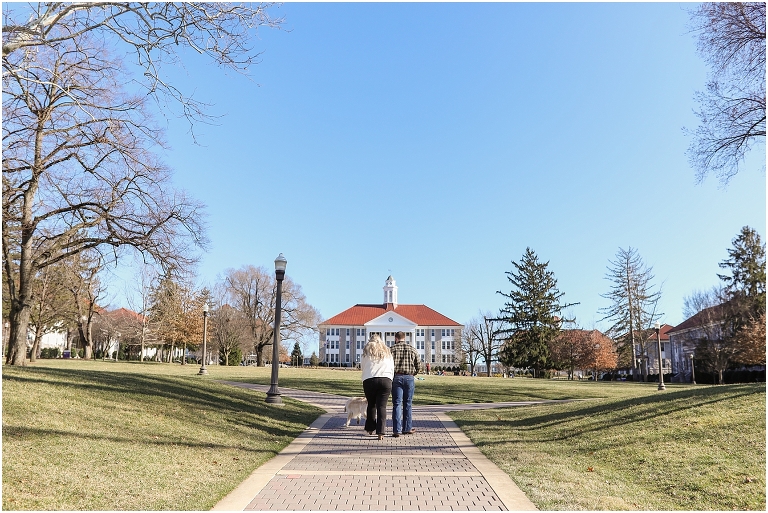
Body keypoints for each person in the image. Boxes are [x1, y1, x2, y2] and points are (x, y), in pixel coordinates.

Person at [360, 333, 394, 440]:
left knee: (371, 404)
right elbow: (392, 367)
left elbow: (363, 367)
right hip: (386, 379)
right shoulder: (387, 352)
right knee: (381, 406)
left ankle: (370, 428)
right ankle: (381, 432)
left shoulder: (366, 352)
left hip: (369, 379)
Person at [390, 331, 420, 437]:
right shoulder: (412, 349)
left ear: (396, 339)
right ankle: (407, 428)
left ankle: (396, 430)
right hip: (409, 377)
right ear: (404, 338)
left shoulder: (391, 349)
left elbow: (387, 365)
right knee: (408, 404)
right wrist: (413, 374)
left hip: (396, 377)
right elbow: (418, 365)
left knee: (397, 404)